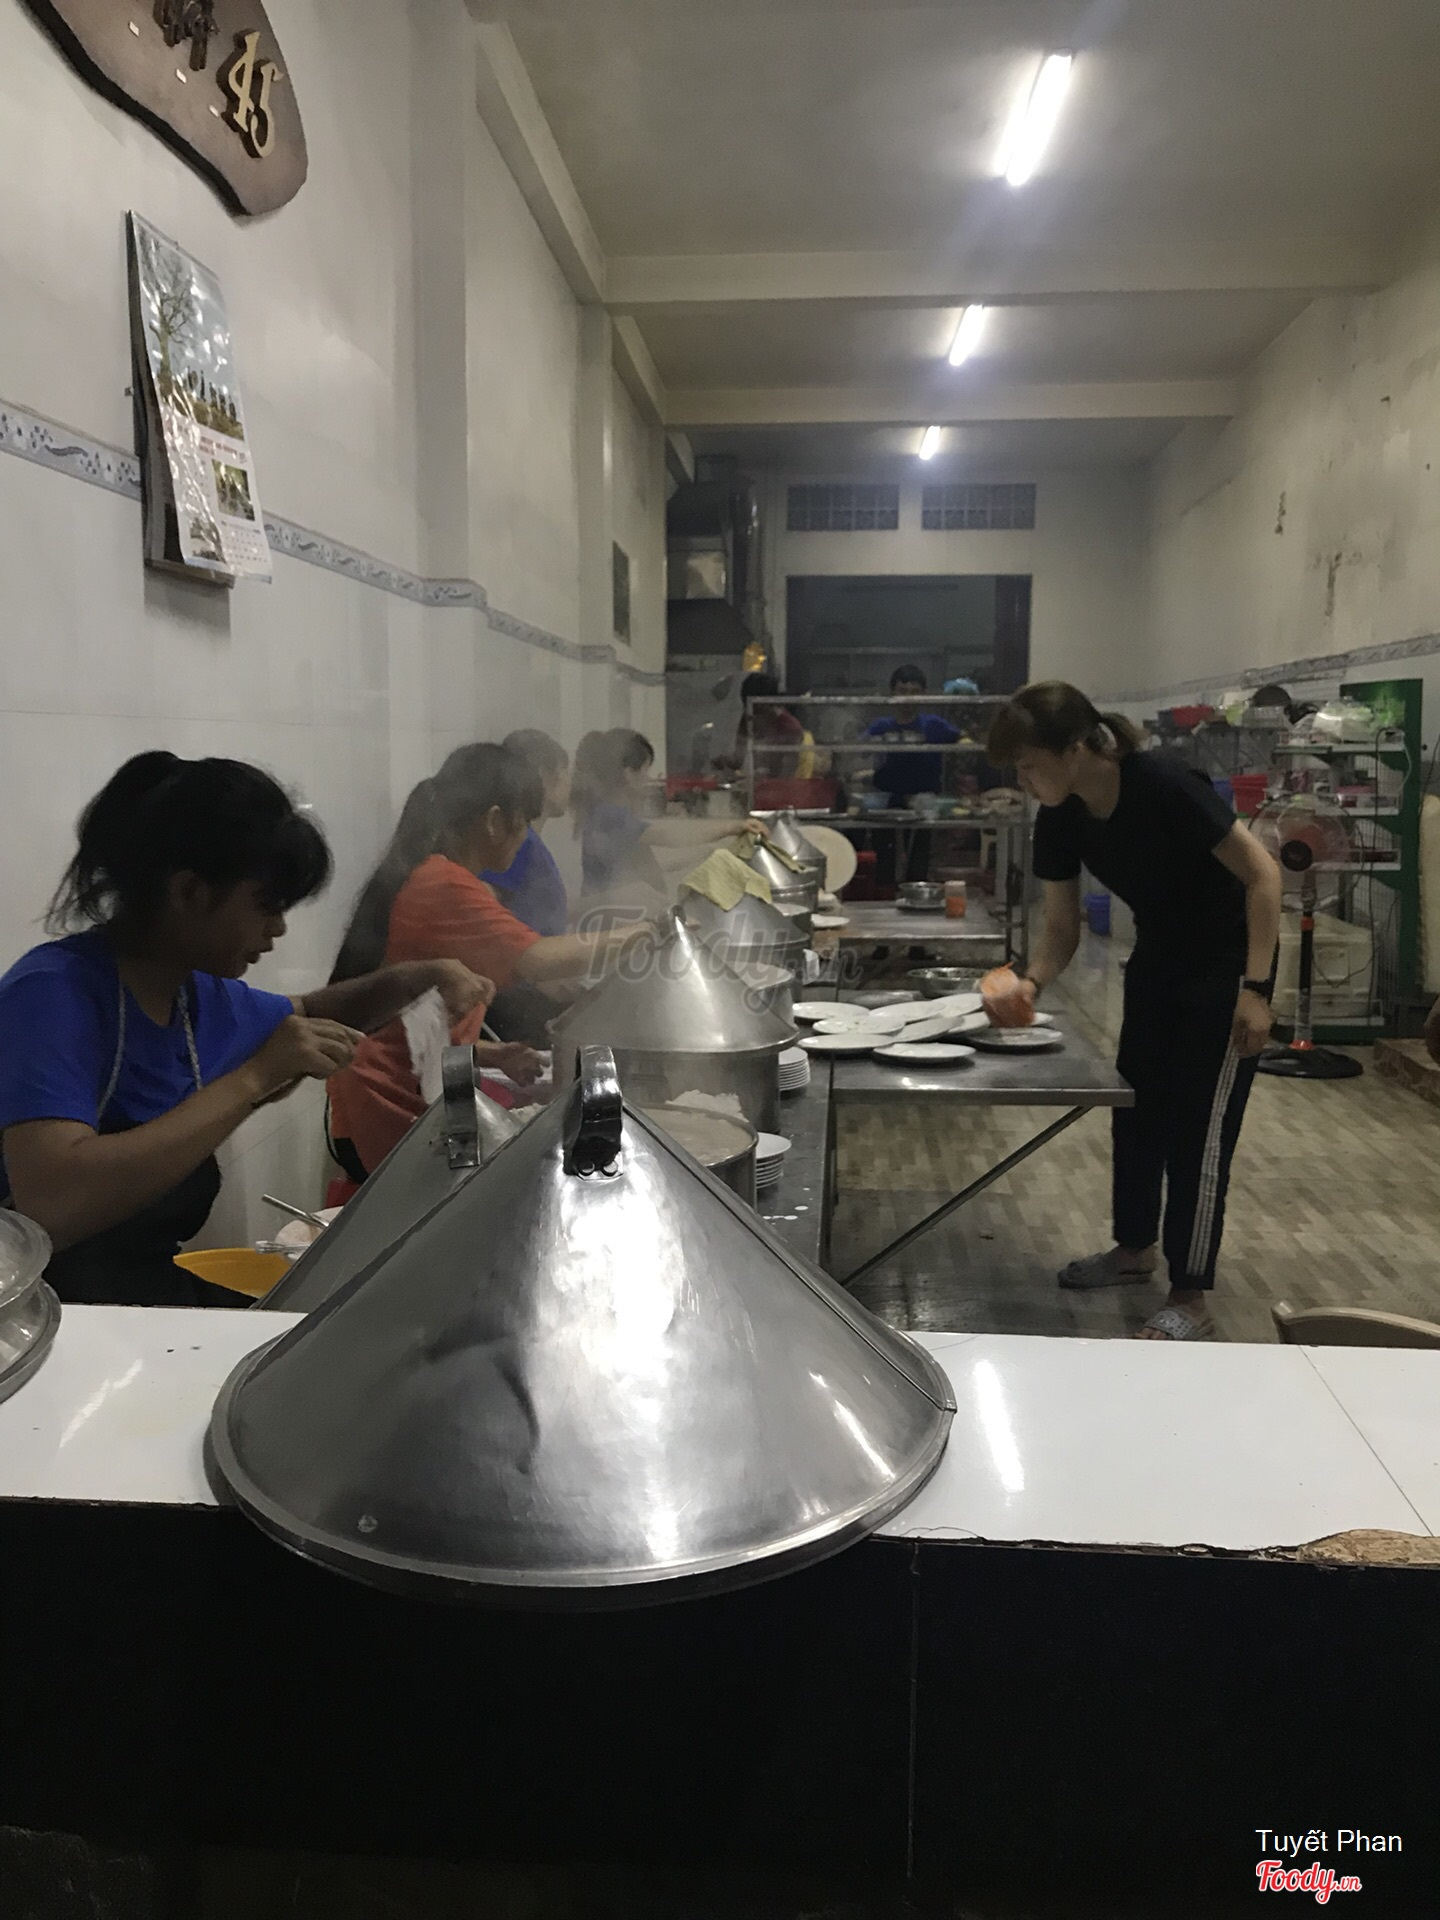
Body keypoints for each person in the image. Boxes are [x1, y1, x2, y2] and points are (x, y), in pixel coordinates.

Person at [0, 753, 492, 1307]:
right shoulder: (53, 993)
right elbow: (53, 1203)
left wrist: (413, 979)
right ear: (188, 892)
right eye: (265, 906)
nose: (277, 929)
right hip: (34, 1311)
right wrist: (254, 1080)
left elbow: (307, 1015)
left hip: (129, 1291)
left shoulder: (191, 993)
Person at [987, 683, 1282, 1341]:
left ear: (1076, 748)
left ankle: (1191, 1294)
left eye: (1030, 765)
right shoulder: (1061, 814)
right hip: (1159, 955)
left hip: (1229, 963)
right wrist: (1031, 983)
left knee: (1199, 1130)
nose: (1023, 780)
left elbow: (1263, 876)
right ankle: (1133, 1249)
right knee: (1137, 1107)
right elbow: (1060, 927)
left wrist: (1257, 990)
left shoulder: (1164, 786)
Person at [327, 743, 652, 1177]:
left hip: (394, 1082)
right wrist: (645, 932)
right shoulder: (443, 883)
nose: (525, 839)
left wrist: (491, 1055)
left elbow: (413, 1017)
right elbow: (539, 959)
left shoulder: (432, 872)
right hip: (387, 1099)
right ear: (496, 821)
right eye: (524, 824)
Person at [571, 729, 771, 903]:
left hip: (622, 916)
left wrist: (707, 853)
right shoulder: (609, 816)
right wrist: (732, 827)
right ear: (629, 774)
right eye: (645, 771)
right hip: (611, 920)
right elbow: (667, 835)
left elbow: (645, 868)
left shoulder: (611, 814)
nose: (649, 779)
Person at [480, 730, 571, 937]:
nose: (570, 781)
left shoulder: (529, 842)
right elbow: (483, 903)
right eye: (564, 770)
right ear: (543, 775)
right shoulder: (518, 844)